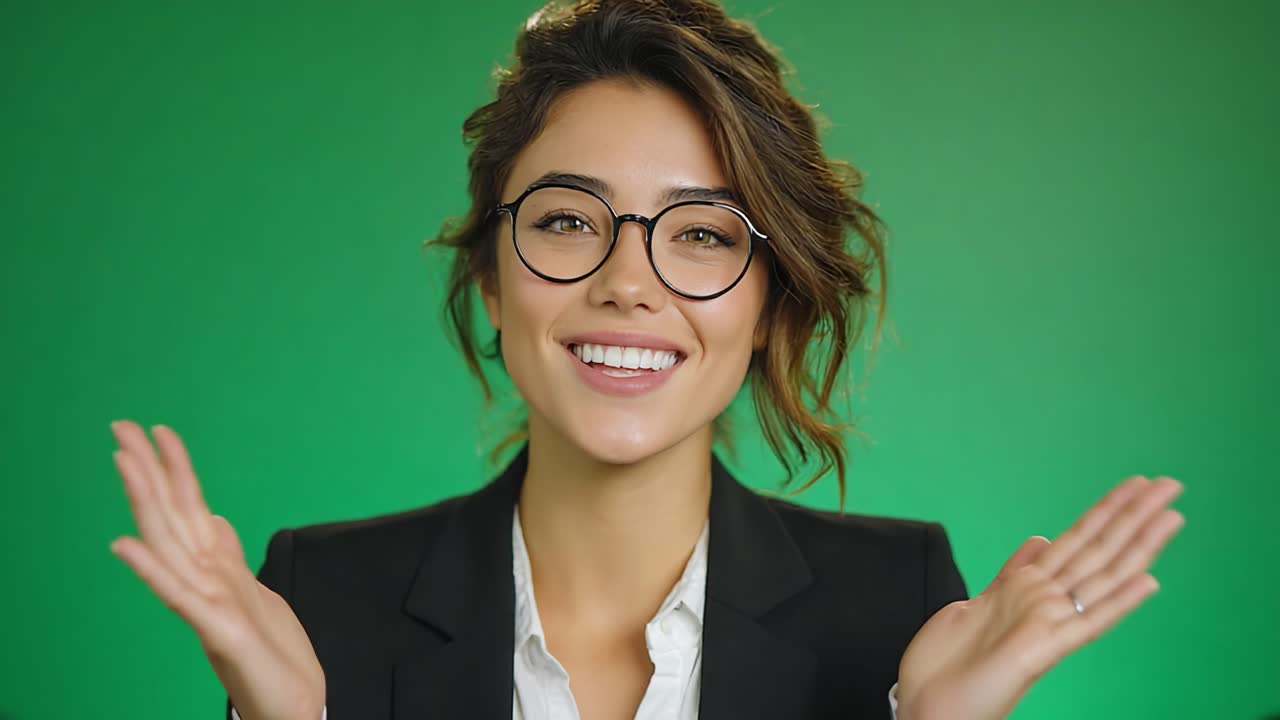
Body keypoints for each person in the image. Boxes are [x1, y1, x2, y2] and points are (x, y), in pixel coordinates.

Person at [106, 1, 1186, 718]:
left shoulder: (898, 609)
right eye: (570, 222)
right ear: (490, 274)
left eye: (703, 235)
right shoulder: (316, 603)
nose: (629, 282)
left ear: (766, 303)